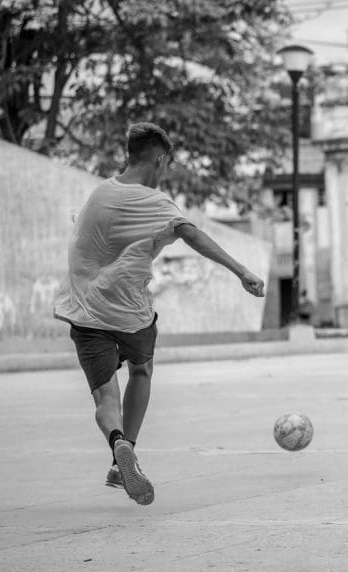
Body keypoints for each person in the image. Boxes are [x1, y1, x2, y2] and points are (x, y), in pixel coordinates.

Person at [54, 122, 265, 505]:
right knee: (141, 369)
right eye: (165, 165)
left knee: (104, 397)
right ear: (159, 158)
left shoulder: (99, 195)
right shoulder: (154, 201)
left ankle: (117, 441)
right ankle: (125, 456)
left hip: (83, 310)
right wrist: (242, 272)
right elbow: (191, 233)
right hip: (130, 312)